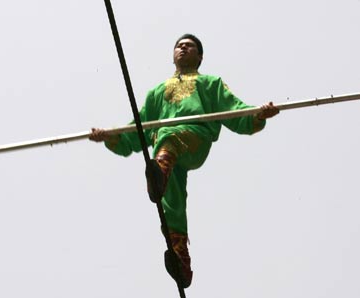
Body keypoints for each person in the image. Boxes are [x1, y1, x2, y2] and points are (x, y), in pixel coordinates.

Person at [89, 34, 279, 288]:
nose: (183, 48)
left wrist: (258, 115)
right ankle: (181, 256)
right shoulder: (157, 92)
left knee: (167, 137)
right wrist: (110, 137)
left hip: (194, 139)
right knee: (171, 201)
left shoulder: (210, 83)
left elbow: (235, 110)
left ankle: (160, 171)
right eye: (179, 45)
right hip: (163, 151)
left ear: (199, 57)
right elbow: (137, 131)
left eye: (189, 46)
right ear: (173, 54)